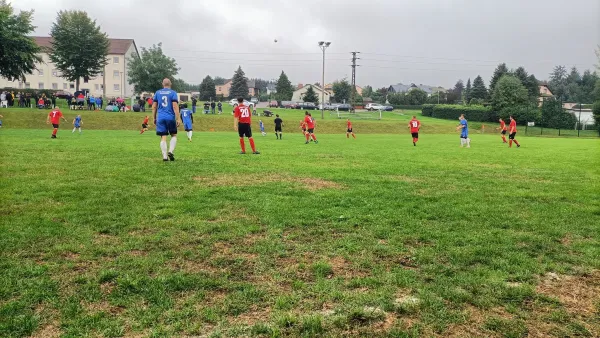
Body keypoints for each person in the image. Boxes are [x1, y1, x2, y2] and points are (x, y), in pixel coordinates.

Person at [153, 79, 181, 161]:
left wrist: (154, 118)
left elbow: (154, 106)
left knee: (163, 137)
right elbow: (175, 107)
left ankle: (164, 157)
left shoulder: (157, 93)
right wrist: (178, 118)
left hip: (160, 117)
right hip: (170, 117)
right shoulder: (173, 93)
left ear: (162, 84)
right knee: (174, 135)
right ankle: (171, 151)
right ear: (170, 84)